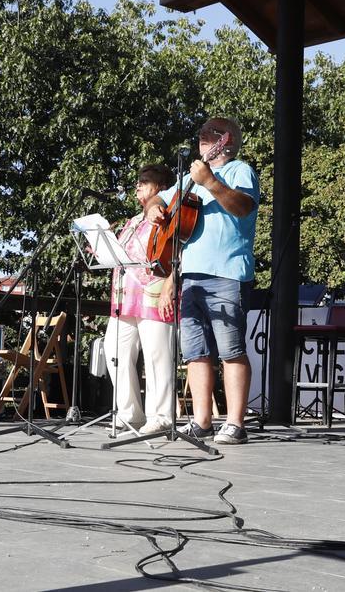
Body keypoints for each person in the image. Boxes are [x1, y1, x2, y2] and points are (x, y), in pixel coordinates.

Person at [145, 117, 259, 445]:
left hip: (227, 273)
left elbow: (242, 207)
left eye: (212, 133)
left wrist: (210, 182)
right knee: (195, 352)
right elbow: (157, 199)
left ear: (229, 140)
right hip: (190, 274)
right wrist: (154, 209)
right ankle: (201, 421)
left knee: (230, 350)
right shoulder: (188, 179)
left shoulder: (240, 170)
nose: (203, 138)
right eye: (202, 133)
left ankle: (236, 424)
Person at [103, 164, 178, 435]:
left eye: (144, 183)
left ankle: (161, 416)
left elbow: (175, 253)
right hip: (125, 296)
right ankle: (129, 412)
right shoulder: (133, 221)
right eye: (138, 183)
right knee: (114, 351)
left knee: (157, 355)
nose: (138, 188)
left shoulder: (168, 215)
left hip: (154, 294)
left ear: (161, 188)